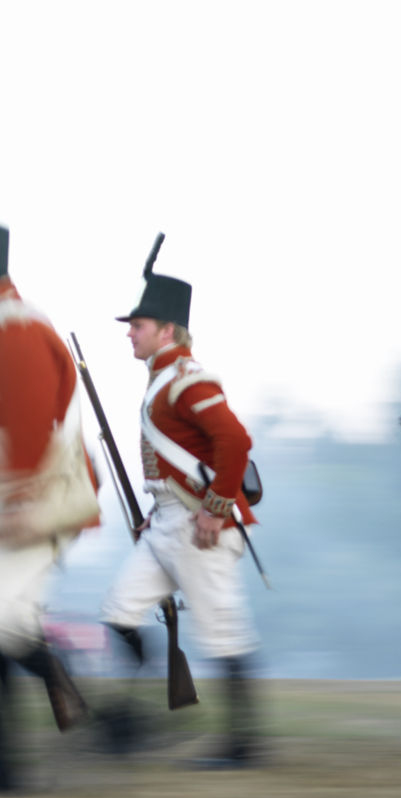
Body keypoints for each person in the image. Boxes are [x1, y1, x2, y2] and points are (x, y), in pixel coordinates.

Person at [100, 234, 263, 768]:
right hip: (168, 523)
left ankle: (243, 745)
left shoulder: (188, 379)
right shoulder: (161, 380)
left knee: (223, 631)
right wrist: (158, 511)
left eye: (138, 326)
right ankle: (131, 722)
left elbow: (234, 442)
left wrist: (215, 511)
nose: (130, 335)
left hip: (201, 527)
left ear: (167, 330)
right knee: (119, 612)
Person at [0, 225, 96, 789]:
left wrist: (17, 502)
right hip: (18, 502)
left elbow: (34, 425)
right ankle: (10, 768)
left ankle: (59, 678)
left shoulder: (18, 328)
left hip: (34, 504)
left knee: (3, 626)